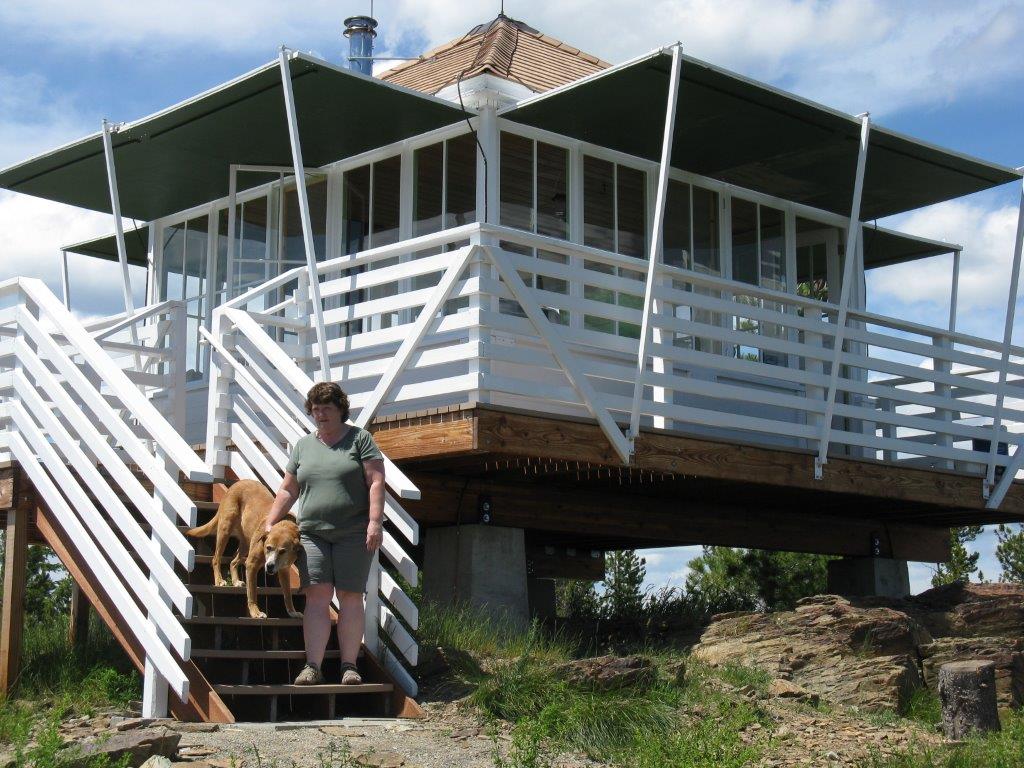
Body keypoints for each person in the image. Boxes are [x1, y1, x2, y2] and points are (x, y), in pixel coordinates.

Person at [262, 382, 385, 685]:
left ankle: (349, 666)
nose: (320, 414)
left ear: (340, 409)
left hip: (353, 532)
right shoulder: (304, 445)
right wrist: (270, 522)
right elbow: (289, 488)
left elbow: (376, 481)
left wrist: (374, 522)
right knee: (317, 597)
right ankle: (312, 667)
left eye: (326, 408)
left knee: (350, 597)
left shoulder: (360, 439)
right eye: (316, 409)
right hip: (312, 534)